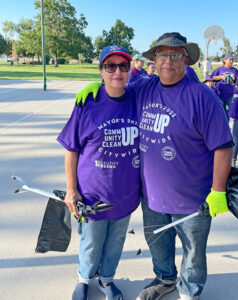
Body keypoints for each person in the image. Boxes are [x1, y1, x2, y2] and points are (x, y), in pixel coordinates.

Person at [75, 32, 233, 300]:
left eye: (175, 55)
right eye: (162, 54)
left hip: (193, 198)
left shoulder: (202, 97)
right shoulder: (145, 88)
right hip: (152, 195)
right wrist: (97, 88)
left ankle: (189, 291)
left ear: (186, 60)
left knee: (193, 251)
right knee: (158, 245)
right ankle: (166, 279)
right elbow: (117, 86)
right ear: (154, 59)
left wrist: (218, 190)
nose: (168, 61)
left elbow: (224, 146)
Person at [57, 45, 140, 300]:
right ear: (101, 71)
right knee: (91, 244)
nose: (117, 71)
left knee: (115, 244)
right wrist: (72, 190)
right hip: (92, 196)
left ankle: (106, 280)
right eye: (110, 66)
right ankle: (84, 279)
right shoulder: (87, 104)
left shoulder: (139, 99)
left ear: (130, 70)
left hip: (125, 195)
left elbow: (177, 77)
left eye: (123, 66)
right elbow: (71, 150)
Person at [212, 53, 238, 120]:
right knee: (219, 113)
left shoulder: (235, 70)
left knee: (227, 113)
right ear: (225, 60)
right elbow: (211, 77)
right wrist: (221, 77)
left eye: (232, 60)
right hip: (219, 95)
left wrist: (233, 79)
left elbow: (237, 82)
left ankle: (226, 128)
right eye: (230, 60)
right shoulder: (219, 69)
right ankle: (219, 128)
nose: (231, 61)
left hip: (229, 96)